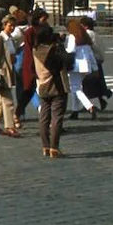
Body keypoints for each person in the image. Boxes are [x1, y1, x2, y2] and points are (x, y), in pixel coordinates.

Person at [31, 13, 67, 158]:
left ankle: (45, 146)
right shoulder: (53, 50)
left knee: (44, 117)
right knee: (57, 117)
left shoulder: (36, 49)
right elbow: (66, 62)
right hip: (57, 85)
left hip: (42, 85)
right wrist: (61, 44)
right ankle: (54, 147)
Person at [0, 15, 21, 137]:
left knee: (1, 100)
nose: (12, 28)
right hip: (2, 73)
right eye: (9, 25)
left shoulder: (11, 39)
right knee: (8, 101)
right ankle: (9, 126)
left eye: (14, 25)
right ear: (4, 25)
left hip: (10, 72)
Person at [65, 17, 99, 120]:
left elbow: (70, 50)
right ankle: (75, 111)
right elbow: (91, 55)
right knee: (77, 87)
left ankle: (89, 106)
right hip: (86, 66)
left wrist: (63, 47)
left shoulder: (72, 36)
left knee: (75, 88)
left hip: (75, 66)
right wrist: (95, 68)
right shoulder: (85, 38)